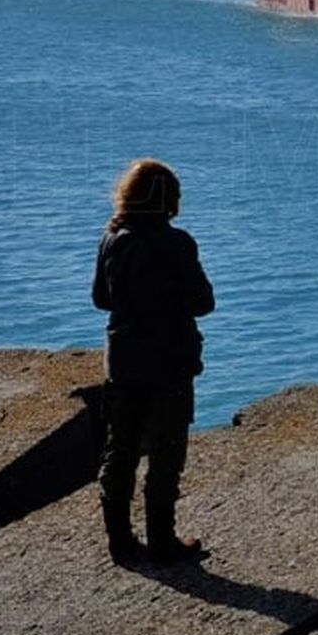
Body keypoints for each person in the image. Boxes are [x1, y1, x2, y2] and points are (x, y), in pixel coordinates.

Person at [91, 158, 214, 565]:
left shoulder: (112, 238)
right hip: (168, 361)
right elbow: (202, 302)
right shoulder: (176, 243)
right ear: (167, 200)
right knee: (166, 452)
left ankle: (120, 542)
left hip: (123, 361)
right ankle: (162, 541)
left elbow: (101, 299)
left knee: (120, 449)